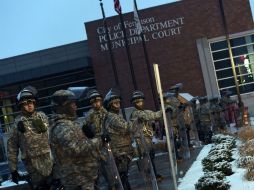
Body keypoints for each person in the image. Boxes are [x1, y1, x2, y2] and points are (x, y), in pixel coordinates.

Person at [49, 89, 101, 190]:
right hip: (78, 180)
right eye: (72, 104)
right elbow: (76, 149)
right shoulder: (62, 127)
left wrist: (89, 136)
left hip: (84, 177)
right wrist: (98, 140)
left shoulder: (70, 123)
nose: (75, 106)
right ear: (63, 106)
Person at [7, 86, 52, 189]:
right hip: (33, 165)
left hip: (50, 160)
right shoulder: (17, 124)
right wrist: (13, 169)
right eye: (26, 103)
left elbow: (53, 136)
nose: (29, 105)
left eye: (31, 102)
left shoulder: (43, 117)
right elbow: (12, 148)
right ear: (21, 106)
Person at [103, 89, 136, 190]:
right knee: (122, 177)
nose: (118, 105)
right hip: (119, 152)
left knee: (123, 176)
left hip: (123, 150)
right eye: (115, 103)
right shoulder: (112, 117)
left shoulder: (115, 116)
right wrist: (135, 119)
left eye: (118, 102)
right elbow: (127, 128)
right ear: (110, 105)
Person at [129, 90, 164, 181]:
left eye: (141, 101)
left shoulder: (144, 111)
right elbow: (148, 116)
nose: (140, 103)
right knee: (147, 158)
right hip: (141, 139)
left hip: (147, 138)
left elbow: (151, 115)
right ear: (134, 103)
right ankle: (151, 176)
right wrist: (162, 111)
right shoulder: (136, 113)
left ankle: (153, 174)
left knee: (151, 156)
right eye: (137, 102)